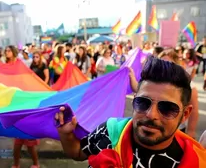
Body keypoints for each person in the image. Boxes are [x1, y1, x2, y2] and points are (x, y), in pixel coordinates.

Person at [55, 56, 206, 167]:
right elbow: (78, 153)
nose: (151, 115)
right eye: (143, 102)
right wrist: (66, 134)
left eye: (167, 108)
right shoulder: (111, 130)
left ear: (185, 114)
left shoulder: (195, 162)